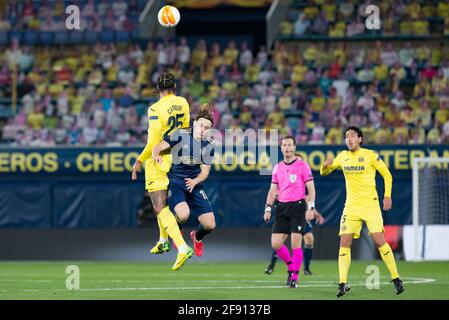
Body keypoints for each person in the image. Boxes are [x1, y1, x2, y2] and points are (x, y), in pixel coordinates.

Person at [320, 126, 404, 297]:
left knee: (380, 241)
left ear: (360, 139)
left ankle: (396, 279)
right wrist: (325, 165)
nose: (348, 139)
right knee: (344, 242)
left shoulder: (370, 155)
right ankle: (342, 283)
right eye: (346, 136)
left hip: (370, 205)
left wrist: (387, 196)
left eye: (352, 136)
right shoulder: (342, 157)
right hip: (351, 206)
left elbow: (387, 175)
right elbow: (324, 172)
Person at [132, 73, 193, 271]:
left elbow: (152, 142)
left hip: (160, 157)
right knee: (164, 202)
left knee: (159, 206)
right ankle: (163, 240)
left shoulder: (155, 109)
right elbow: (185, 130)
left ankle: (182, 247)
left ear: (158, 89)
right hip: (178, 156)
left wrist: (140, 160)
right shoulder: (183, 102)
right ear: (174, 87)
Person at [152, 103, 216, 257]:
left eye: (207, 128)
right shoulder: (181, 134)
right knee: (183, 215)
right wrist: (156, 154)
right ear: (195, 123)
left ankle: (197, 237)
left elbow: (205, 172)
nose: (203, 130)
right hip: (176, 183)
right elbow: (159, 145)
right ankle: (178, 232)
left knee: (210, 225)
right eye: (201, 125)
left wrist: (195, 181)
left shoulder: (208, 145)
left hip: (194, 185)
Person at [263, 136, 316, 288]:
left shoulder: (303, 166)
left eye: (290, 145)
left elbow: (311, 189)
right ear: (281, 148)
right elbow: (273, 190)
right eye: (284, 145)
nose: (287, 148)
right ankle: (291, 267)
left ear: (294, 148)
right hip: (281, 208)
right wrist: (268, 208)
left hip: (298, 208)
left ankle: (295, 277)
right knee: (276, 244)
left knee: (295, 243)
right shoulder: (277, 167)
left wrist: (311, 208)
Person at [265, 197, 325, 275]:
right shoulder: (281, 187)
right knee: (278, 243)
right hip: (288, 215)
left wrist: (315, 214)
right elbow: (274, 195)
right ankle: (272, 266)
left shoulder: (306, 186)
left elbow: (308, 199)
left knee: (310, 239)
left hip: (301, 216)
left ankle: (306, 269)